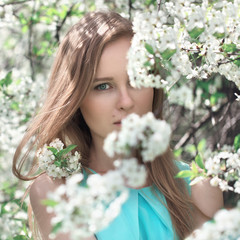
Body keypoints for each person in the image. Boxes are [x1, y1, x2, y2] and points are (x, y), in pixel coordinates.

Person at [13, 11, 223, 240]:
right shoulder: (56, 192)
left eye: (136, 80)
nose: (126, 102)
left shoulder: (199, 187)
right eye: (103, 86)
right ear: (76, 99)